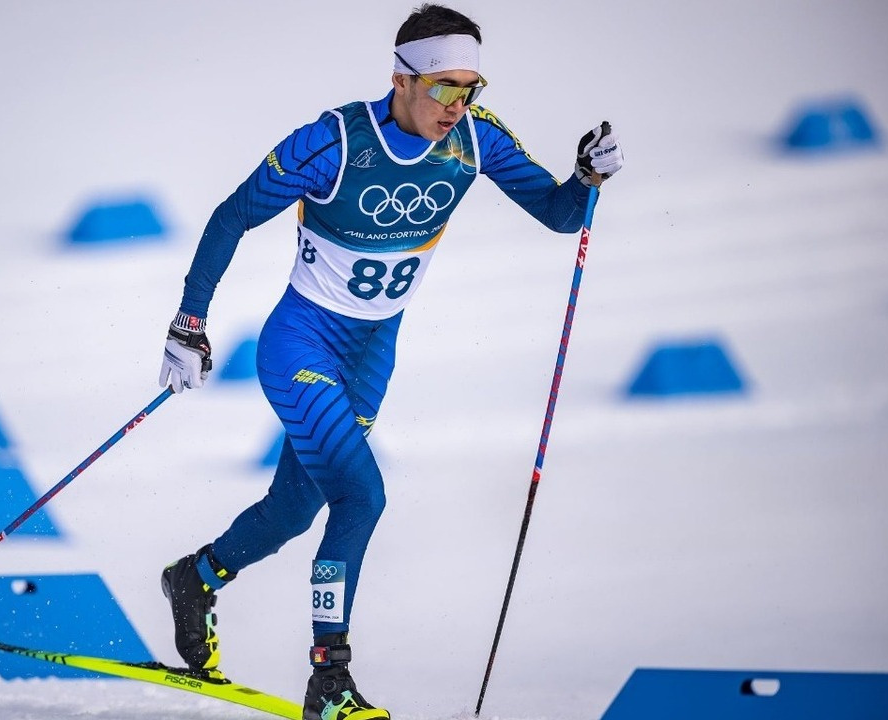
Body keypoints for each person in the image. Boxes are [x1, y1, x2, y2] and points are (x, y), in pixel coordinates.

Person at [156, 4, 623, 719]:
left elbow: (560, 215)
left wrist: (586, 178)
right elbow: (232, 216)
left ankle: (197, 577)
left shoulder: (476, 139)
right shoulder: (332, 143)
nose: (457, 104)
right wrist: (189, 322)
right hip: (301, 344)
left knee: (294, 508)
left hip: (373, 355)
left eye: (470, 87)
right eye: (443, 87)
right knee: (362, 496)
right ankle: (329, 679)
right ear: (402, 79)